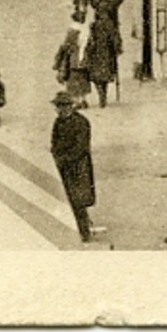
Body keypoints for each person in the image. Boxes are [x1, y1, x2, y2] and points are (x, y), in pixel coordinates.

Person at [50, 92, 99, 242]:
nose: (59, 110)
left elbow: (81, 147)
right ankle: (76, 230)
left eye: (62, 106)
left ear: (70, 106)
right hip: (64, 166)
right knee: (68, 198)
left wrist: (64, 158)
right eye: (58, 107)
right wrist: (55, 156)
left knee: (78, 200)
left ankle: (84, 232)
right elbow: (54, 142)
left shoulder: (81, 122)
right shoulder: (58, 122)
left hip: (78, 166)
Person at [84, 5, 122, 108]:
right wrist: (117, 48)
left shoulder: (100, 25)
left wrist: (116, 47)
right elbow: (115, 38)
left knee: (100, 77)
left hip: (102, 53)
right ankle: (102, 94)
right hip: (103, 53)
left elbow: (114, 38)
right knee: (101, 76)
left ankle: (102, 94)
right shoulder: (101, 25)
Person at [55, 16, 90, 106]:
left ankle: (77, 100)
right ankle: (82, 99)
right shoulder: (86, 30)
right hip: (84, 59)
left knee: (74, 79)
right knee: (83, 79)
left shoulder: (72, 30)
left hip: (74, 59)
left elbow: (67, 45)